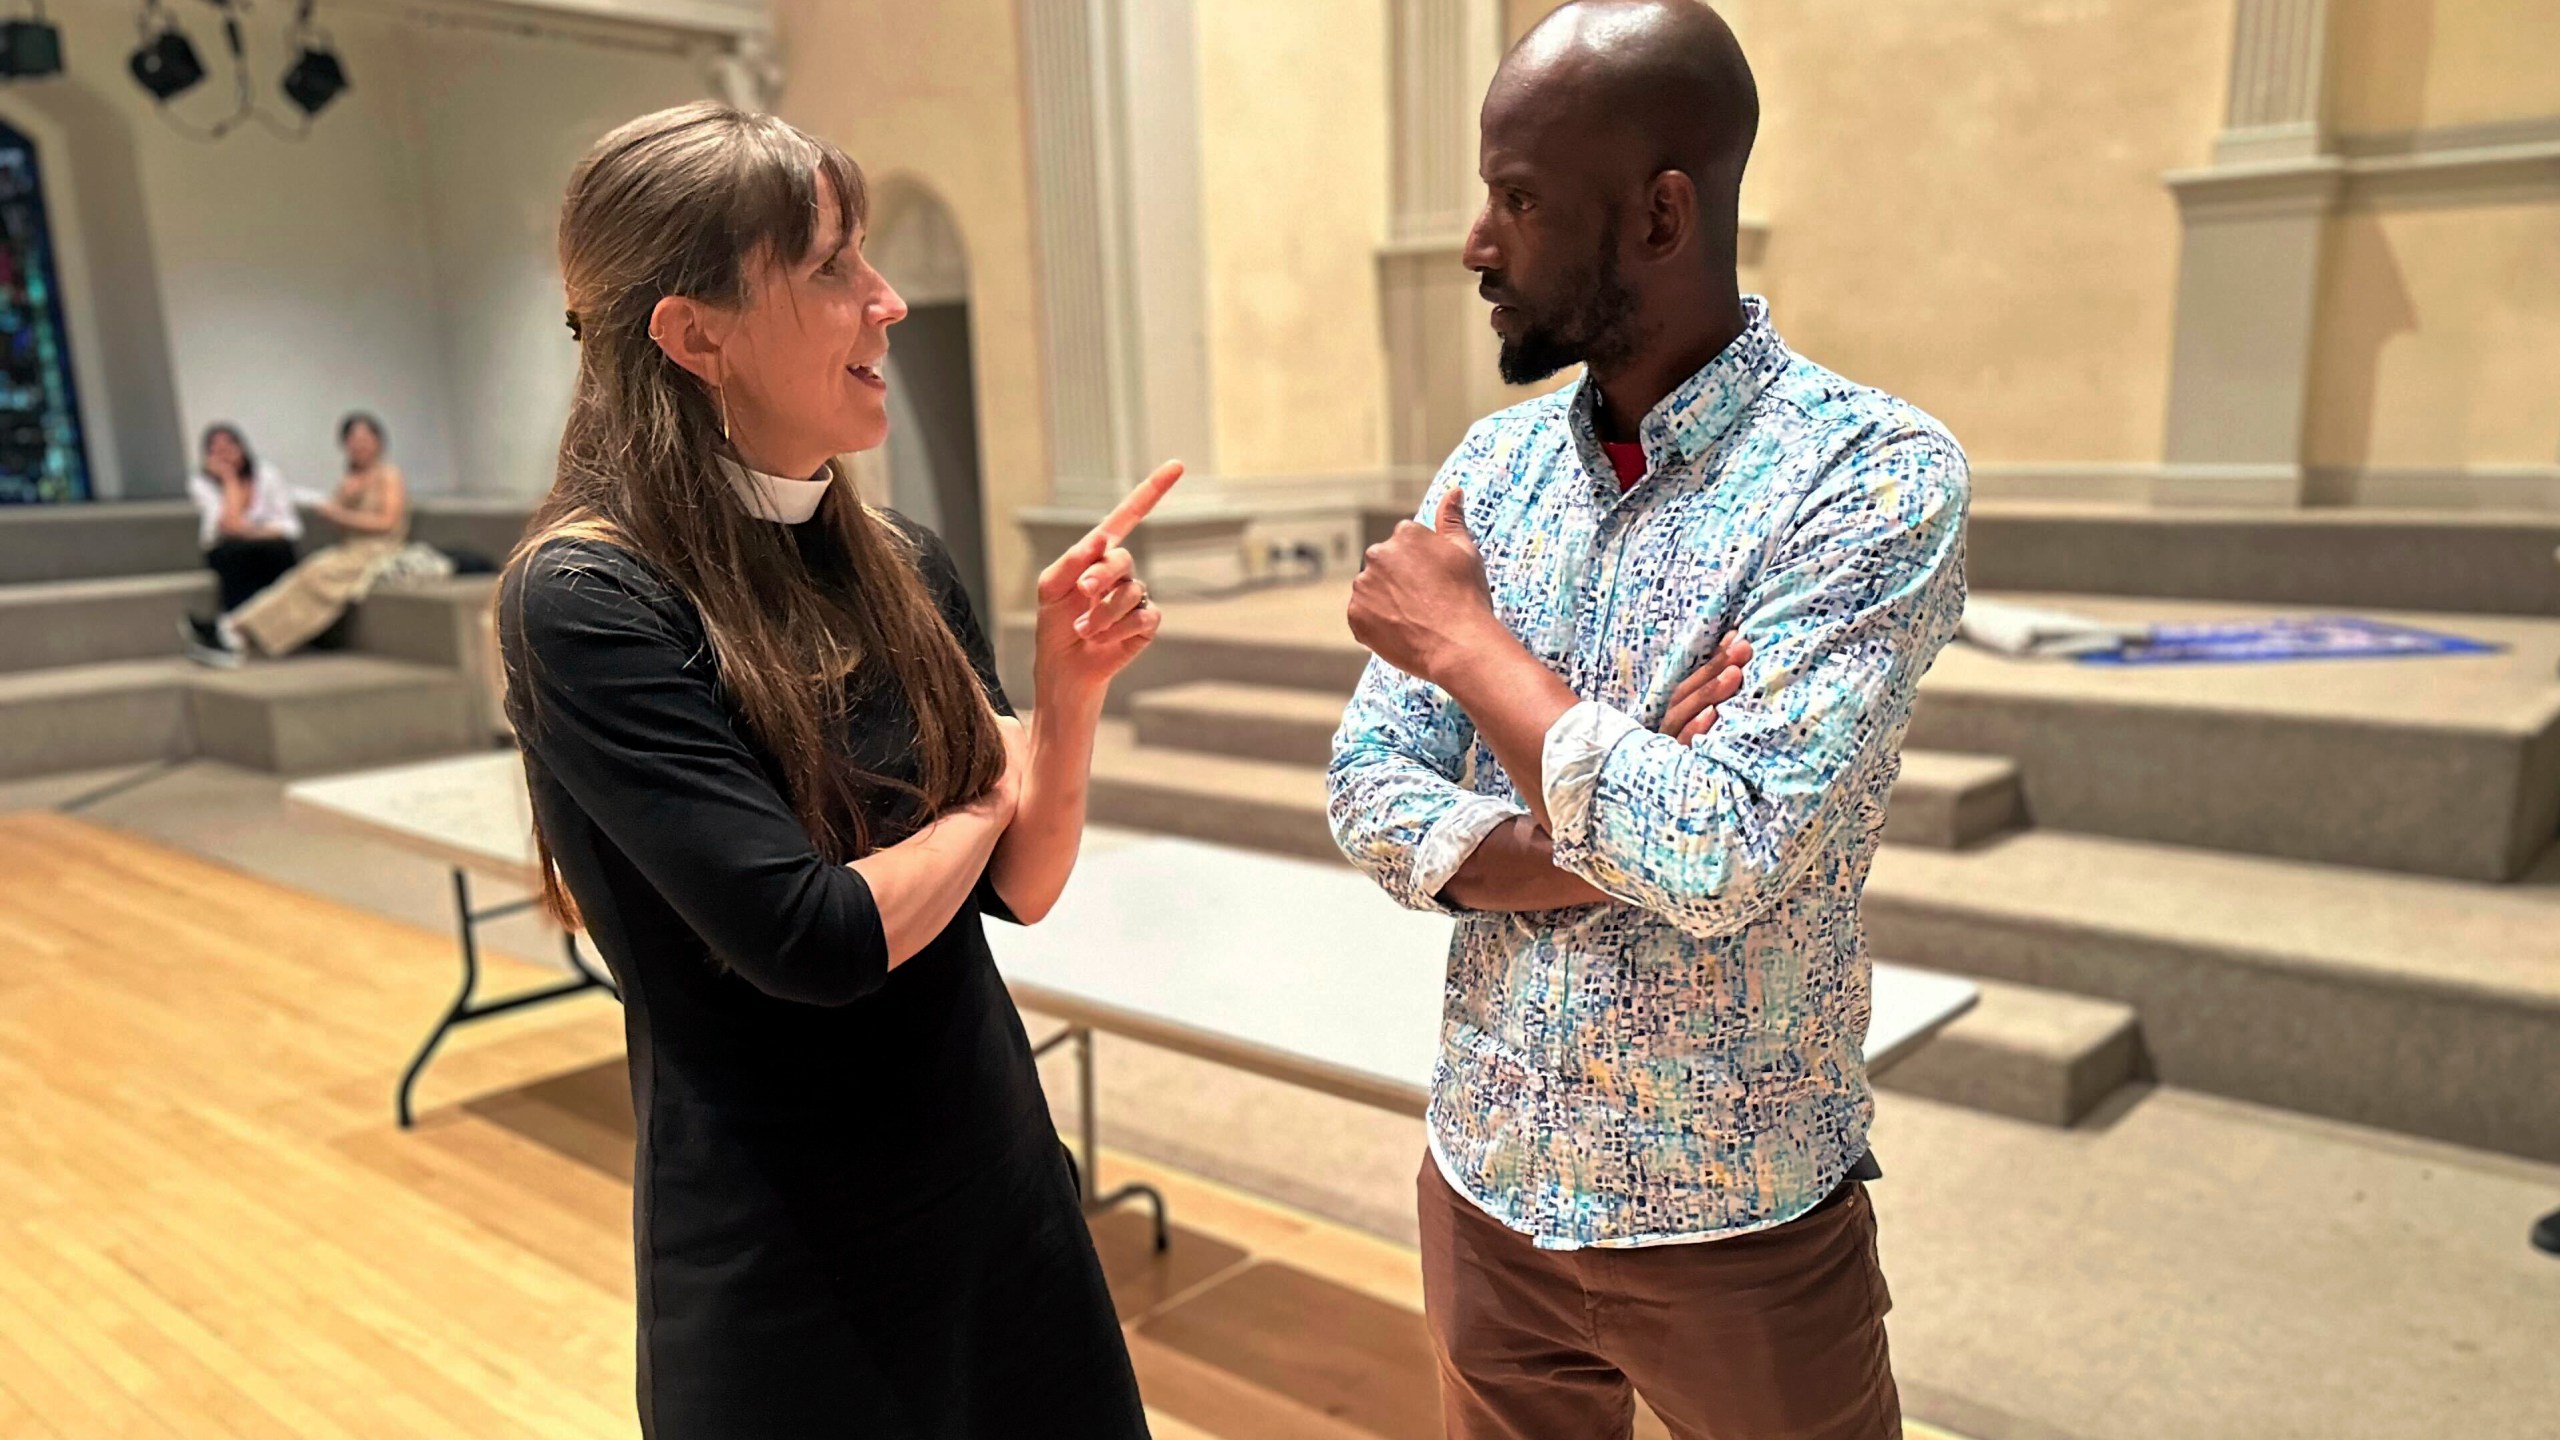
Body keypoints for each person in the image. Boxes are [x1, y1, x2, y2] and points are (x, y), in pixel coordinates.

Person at [1327, 3, 1968, 1436]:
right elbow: (1371, 788)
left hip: (1731, 1214)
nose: (1479, 242)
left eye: (1521, 198)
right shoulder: (1491, 470)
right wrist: (1618, 806)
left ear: (1664, 213)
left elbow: (1729, 854)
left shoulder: (1865, 476)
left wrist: (1467, 647)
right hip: (1486, 1174)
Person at [497, 103, 1172, 1438]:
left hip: (996, 1190)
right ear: (692, 336)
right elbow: (815, 940)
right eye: (830, 268)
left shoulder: (902, 559)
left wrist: (1065, 703)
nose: (888, 301)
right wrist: (997, 775)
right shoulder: (585, 599)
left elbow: (1018, 892)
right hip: (791, 1261)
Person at [184, 412, 412, 666]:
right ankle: (233, 628)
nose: (359, 446)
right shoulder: (348, 481)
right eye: (353, 441)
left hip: (379, 550)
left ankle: (234, 629)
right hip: (350, 549)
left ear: (378, 441)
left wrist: (339, 513)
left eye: (365, 439)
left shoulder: (388, 475)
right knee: (301, 574)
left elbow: (387, 522)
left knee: (312, 572)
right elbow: (226, 526)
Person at [182, 424, 301, 658]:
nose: (224, 455)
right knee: (236, 553)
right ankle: (234, 631)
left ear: (242, 448)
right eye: (216, 451)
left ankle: (261, 630)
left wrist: (254, 533)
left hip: (268, 544)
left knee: (279, 551)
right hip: (225, 547)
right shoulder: (201, 483)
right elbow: (228, 525)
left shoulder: (267, 474)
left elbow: (290, 526)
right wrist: (229, 480)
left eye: (229, 447)